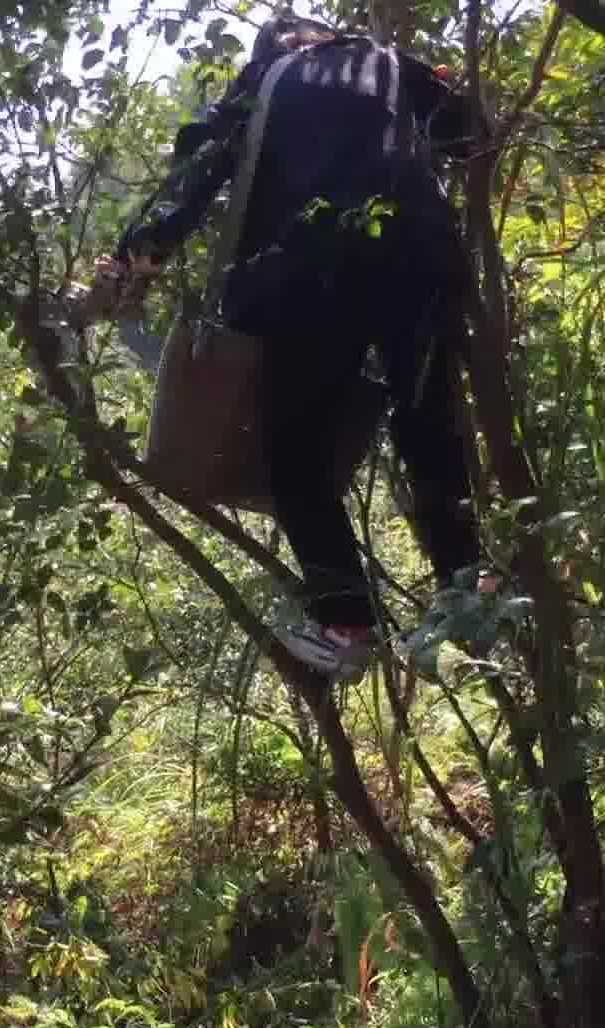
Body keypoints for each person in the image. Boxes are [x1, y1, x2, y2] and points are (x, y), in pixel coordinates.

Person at [97, 16, 492, 681]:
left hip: (313, 272)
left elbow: (197, 170)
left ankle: (347, 621)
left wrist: (138, 255)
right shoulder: (387, 61)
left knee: (297, 454)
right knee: (429, 428)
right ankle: (468, 595)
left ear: (272, 53)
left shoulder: (264, 80)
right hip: (422, 254)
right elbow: (471, 132)